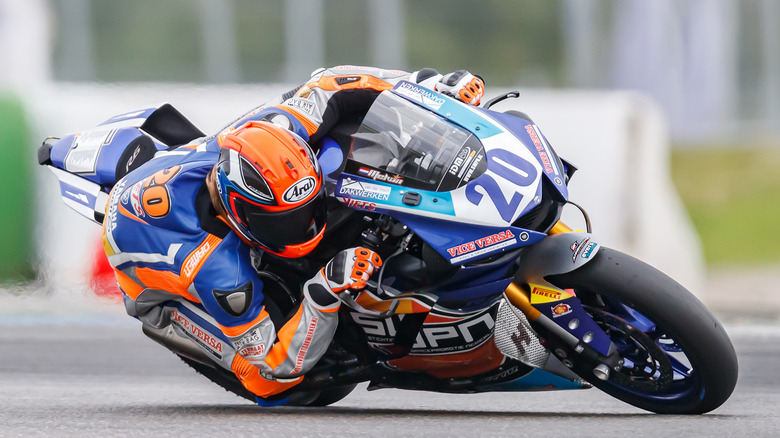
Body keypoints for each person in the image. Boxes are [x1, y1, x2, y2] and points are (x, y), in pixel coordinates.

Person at [102, 65, 485, 400]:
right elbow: (269, 371)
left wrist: (427, 86)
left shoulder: (278, 127)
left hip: (181, 171)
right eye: (283, 223)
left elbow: (334, 82)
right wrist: (323, 290)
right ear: (240, 212)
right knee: (276, 382)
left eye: (307, 211)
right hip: (158, 272)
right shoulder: (218, 271)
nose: (304, 228)